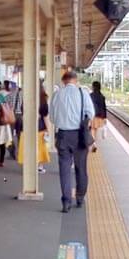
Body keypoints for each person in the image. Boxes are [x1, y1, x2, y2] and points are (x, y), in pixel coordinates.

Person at [49, 69, 94, 213]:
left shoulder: (57, 94)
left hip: (62, 135)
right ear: (76, 80)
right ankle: (80, 198)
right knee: (81, 168)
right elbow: (91, 113)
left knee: (64, 169)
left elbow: (52, 118)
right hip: (79, 136)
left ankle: (66, 201)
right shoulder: (83, 93)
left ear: (63, 81)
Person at [17, 80, 50, 174]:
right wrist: (48, 129)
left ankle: (28, 166)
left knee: (27, 147)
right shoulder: (43, 99)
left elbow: (23, 113)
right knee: (40, 147)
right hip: (40, 127)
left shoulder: (26, 98)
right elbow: (45, 116)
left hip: (26, 127)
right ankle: (39, 166)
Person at [4, 81, 23, 160]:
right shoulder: (22, 95)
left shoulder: (8, 96)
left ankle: (12, 153)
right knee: (20, 135)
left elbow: (5, 106)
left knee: (10, 135)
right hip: (20, 116)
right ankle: (20, 152)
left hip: (11, 116)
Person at [90, 80, 108, 147]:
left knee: (92, 129)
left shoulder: (91, 95)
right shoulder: (102, 96)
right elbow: (104, 107)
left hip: (92, 115)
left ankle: (93, 142)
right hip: (100, 116)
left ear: (93, 87)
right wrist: (105, 117)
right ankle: (94, 142)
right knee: (95, 129)